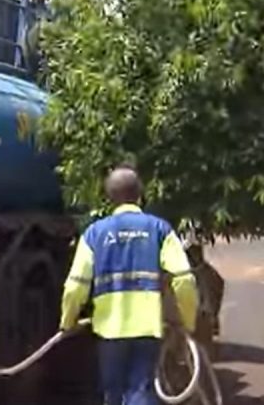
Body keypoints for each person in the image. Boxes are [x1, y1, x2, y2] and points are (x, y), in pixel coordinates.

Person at [59, 165, 199, 405]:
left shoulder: (94, 234)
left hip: (109, 330)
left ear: (109, 197)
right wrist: (187, 322)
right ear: (140, 193)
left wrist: (67, 321)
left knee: (112, 394)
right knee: (140, 391)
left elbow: (75, 286)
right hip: (147, 329)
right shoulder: (159, 229)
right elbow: (184, 279)